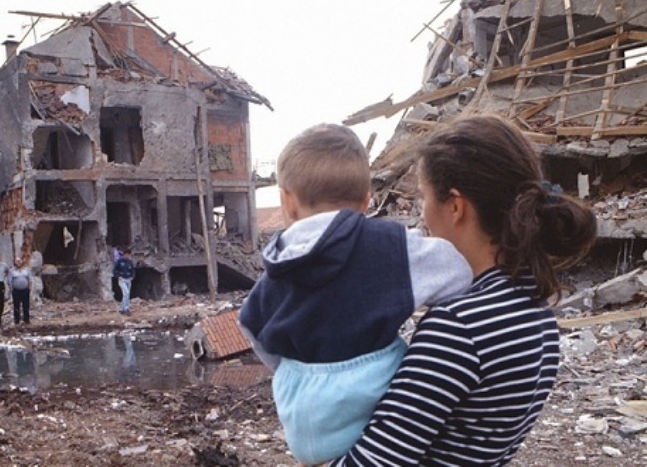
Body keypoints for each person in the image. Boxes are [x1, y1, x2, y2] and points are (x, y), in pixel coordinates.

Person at [325, 114, 597, 466]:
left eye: (423, 197)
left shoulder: (459, 324)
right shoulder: (536, 311)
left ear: (455, 206)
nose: (422, 216)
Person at [239, 123, 473, 465]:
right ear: (366, 201)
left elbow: (251, 326)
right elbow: (455, 270)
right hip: (372, 403)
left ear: (287, 202)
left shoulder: (276, 269)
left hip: (302, 422)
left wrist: (294, 370)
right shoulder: (389, 248)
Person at [8, 257, 32, 325]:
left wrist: (29, 288)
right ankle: (17, 321)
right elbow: (9, 281)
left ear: (22, 262)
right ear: (15, 262)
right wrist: (11, 289)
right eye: (17, 261)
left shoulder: (26, 270)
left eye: (19, 261)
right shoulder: (12, 271)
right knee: (16, 306)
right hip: (16, 291)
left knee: (26, 305)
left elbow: (30, 279)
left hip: (25, 290)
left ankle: (26, 320)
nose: (18, 263)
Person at [113, 248, 135, 315]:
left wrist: (132, 276)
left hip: (128, 280)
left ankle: (122, 309)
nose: (128, 256)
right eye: (127, 254)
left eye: (129, 255)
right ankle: (126, 308)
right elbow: (114, 270)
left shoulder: (130, 262)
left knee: (127, 294)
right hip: (122, 279)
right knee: (126, 293)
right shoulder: (119, 261)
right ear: (124, 254)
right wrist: (118, 276)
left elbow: (132, 270)